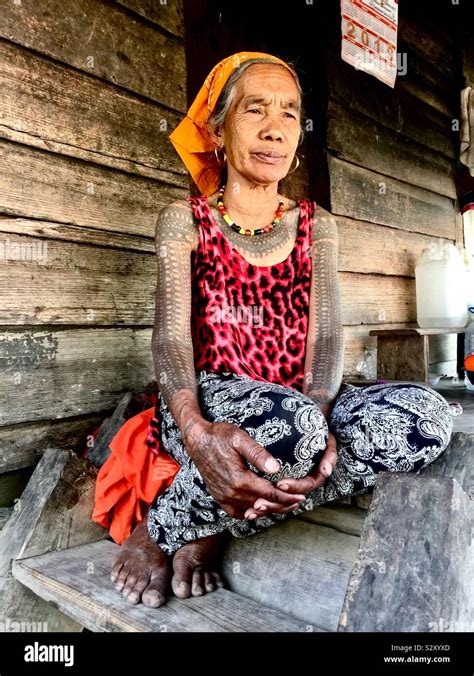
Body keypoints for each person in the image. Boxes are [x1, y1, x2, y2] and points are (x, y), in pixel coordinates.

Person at [93, 51, 455, 609]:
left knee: (426, 418)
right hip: (208, 400)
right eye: (254, 109)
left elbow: (328, 341)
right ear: (218, 128)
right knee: (295, 429)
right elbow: (169, 342)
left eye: (289, 113)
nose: (274, 129)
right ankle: (163, 529)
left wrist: (321, 413)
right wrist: (193, 429)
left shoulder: (316, 226)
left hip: (294, 406)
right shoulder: (186, 220)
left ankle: (200, 521)